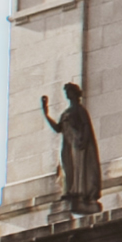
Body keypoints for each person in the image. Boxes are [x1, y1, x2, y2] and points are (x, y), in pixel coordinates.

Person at [40, 81, 101, 216]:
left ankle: (79, 193)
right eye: (66, 92)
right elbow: (57, 128)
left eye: (69, 91)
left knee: (79, 167)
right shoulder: (66, 112)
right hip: (67, 144)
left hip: (77, 142)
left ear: (75, 94)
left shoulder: (79, 110)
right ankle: (70, 190)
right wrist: (45, 114)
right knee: (68, 167)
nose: (67, 94)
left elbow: (86, 125)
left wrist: (84, 140)